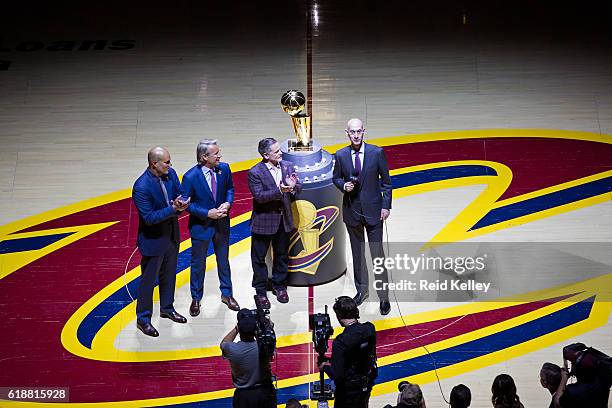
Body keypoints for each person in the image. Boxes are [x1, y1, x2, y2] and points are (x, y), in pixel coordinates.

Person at [332, 118, 392, 315]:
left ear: (364, 131)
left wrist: (386, 206)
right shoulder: (340, 155)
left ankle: (384, 297)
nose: (356, 135)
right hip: (352, 212)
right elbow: (336, 177)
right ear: (347, 133)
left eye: (359, 131)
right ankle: (362, 291)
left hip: (374, 212)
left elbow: (386, 182)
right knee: (357, 255)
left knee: (377, 255)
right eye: (352, 132)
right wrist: (343, 186)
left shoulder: (377, 152)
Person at [132, 146, 189, 337]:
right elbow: (148, 217)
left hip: (172, 235)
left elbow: (180, 192)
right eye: (166, 162)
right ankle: (143, 318)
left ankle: (167, 308)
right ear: (154, 164)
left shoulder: (170, 174)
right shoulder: (141, 187)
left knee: (169, 275)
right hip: (153, 240)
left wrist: (182, 201)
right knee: (148, 281)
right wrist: (174, 209)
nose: (170, 165)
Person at [182, 139, 239, 316]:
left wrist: (228, 203)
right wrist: (207, 213)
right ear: (204, 157)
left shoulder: (225, 169)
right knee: (198, 264)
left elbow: (230, 189)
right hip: (201, 226)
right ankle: (196, 298)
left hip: (222, 223)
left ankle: (227, 294)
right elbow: (186, 205)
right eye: (216, 153)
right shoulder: (190, 177)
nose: (219, 156)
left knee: (224, 261)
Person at [248, 137, 301, 308]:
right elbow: (260, 197)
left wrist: (293, 187)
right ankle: (261, 291)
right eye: (276, 151)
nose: (281, 153)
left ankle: (280, 286)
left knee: (282, 255)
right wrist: (280, 190)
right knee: (259, 258)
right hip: (263, 221)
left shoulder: (287, 166)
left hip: (283, 220)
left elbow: (298, 188)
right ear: (265, 155)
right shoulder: (255, 172)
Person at [319, 296, 377, 408]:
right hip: (366, 384)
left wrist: (324, 366)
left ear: (339, 315)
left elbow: (338, 376)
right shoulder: (370, 328)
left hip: (347, 392)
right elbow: (358, 354)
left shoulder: (340, 342)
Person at [220, 309, 276, 408]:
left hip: (244, 397)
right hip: (265, 392)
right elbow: (269, 334)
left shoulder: (232, 349)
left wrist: (236, 328)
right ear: (255, 329)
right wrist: (266, 326)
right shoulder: (264, 346)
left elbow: (223, 343)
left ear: (240, 330)